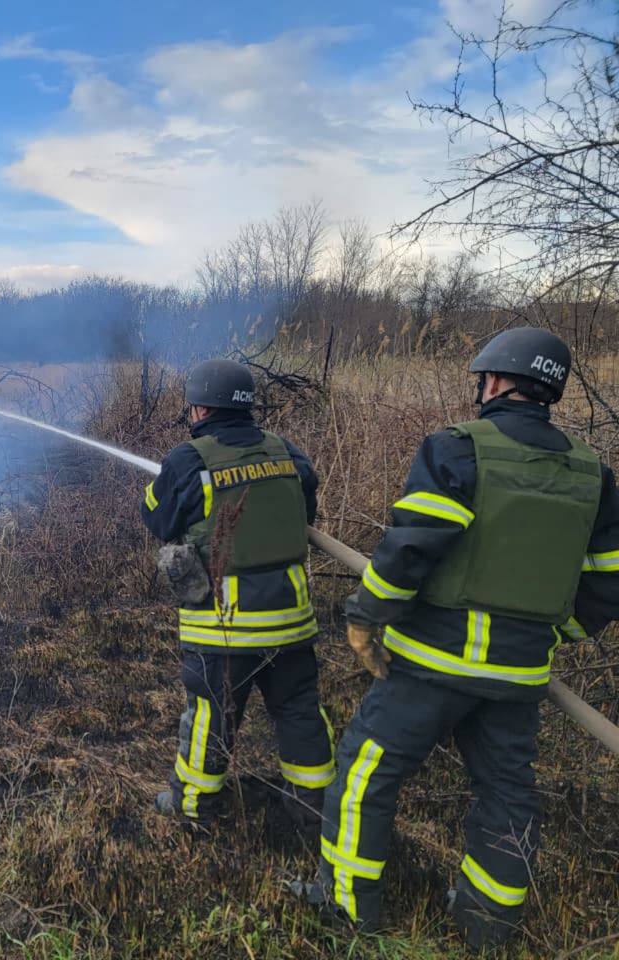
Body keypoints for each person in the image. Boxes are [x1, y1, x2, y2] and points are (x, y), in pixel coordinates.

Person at [311, 327, 619, 950]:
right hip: (520, 676)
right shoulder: (593, 474)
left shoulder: (458, 450)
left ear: (498, 382)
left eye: (483, 380)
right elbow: (610, 579)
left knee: (367, 770)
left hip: (432, 663)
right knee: (508, 792)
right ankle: (489, 923)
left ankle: (345, 906)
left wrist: (367, 617)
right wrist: (554, 634)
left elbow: (412, 547)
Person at [142, 358, 334, 834]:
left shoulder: (189, 459)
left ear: (201, 409)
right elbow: (304, 507)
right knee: (300, 712)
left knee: (211, 717)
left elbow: (158, 519)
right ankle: (314, 809)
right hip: (291, 623)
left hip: (224, 625)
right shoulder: (287, 451)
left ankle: (193, 807)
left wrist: (163, 487)